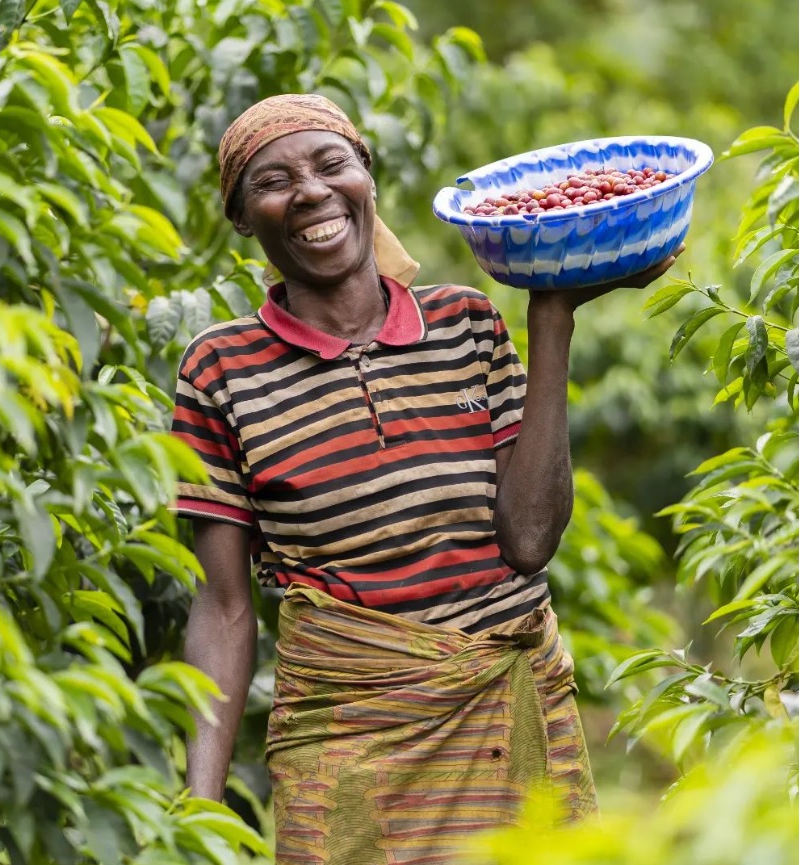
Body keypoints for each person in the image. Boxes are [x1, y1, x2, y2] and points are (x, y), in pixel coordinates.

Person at [170, 93, 682, 865]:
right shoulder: (221, 368)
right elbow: (222, 602)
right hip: (346, 733)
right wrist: (195, 812)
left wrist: (552, 317)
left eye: (331, 163)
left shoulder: (465, 322)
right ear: (243, 218)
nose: (310, 191)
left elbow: (530, 539)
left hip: (505, 712)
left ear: (366, 176)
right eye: (272, 181)